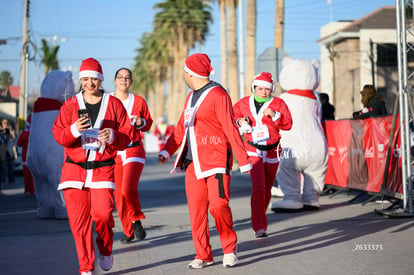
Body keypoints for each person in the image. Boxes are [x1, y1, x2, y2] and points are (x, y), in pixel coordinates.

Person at [158, 53, 252, 269]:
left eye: (184, 71)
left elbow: (230, 127)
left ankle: (229, 249)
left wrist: (243, 158)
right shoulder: (190, 97)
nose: (183, 74)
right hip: (193, 164)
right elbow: (181, 129)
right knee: (197, 212)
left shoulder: (219, 95)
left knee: (219, 206)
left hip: (217, 161)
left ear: (189, 73)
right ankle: (204, 254)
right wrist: (166, 151)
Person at [52, 58, 133, 275]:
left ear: (101, 79)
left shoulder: (114, 104)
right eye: (85, 79)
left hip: (102, 169)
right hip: (74, 171)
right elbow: (58, 134)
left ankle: (105, 249)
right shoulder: (70, 105)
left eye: (94, 79)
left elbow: (128, 136)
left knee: (103, 215)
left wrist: (114, 135)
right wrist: (74, 129)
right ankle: (86, 267)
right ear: (81, 80)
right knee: (79, 224)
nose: (89, 83)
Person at [233, 72, 292, 238]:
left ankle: (260, 215)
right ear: (254, 88)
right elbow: (233, 117)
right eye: (260, 89)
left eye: (267, 89)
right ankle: (259, 226)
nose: (263, 92)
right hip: (253, 149)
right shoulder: (243, 103)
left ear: (271, 89)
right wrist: (240, 122)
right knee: (258, 188)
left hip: (273, 150)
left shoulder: (278, 103)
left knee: (267, 190)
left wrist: (275, 115)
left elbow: (289, 124)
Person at [271, 57, 328, 212]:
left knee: (287, 169)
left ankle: (291, 197)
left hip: (292, 144)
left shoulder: (283, 98)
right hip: (316, 144)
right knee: (315, 171)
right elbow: (319, 118)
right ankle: (311, 197)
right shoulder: (316, 99)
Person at [112, 67, 153, 243]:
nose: (123, 80)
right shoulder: (108, 101)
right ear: (114, 81)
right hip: (114, 152)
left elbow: (148, 123)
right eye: (120, 77)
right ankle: (128, 231)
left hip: (134, 149)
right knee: (119, 196)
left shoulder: (138, 101)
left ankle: (136, 219)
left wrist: (141, 122)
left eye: (127, 78)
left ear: (131, 82)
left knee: (127, 189)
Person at [16, 115, 35, 195]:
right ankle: (33, 190)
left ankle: (28, 190)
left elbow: (18, 144)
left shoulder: (24, 133)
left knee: (27, 175)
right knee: (34, 175)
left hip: (25, 156)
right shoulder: (36, 133)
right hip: (34, 156)